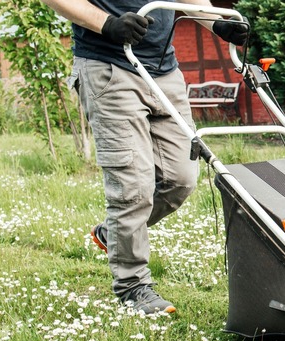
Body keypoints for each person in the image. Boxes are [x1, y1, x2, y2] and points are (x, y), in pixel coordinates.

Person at [41, 0, 247, 314]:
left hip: (164, 70)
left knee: (181, 179)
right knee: (133, 189)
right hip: (110, 66)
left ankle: (114, 234)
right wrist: (107, 24)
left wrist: (216, 22)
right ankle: (133, 287)